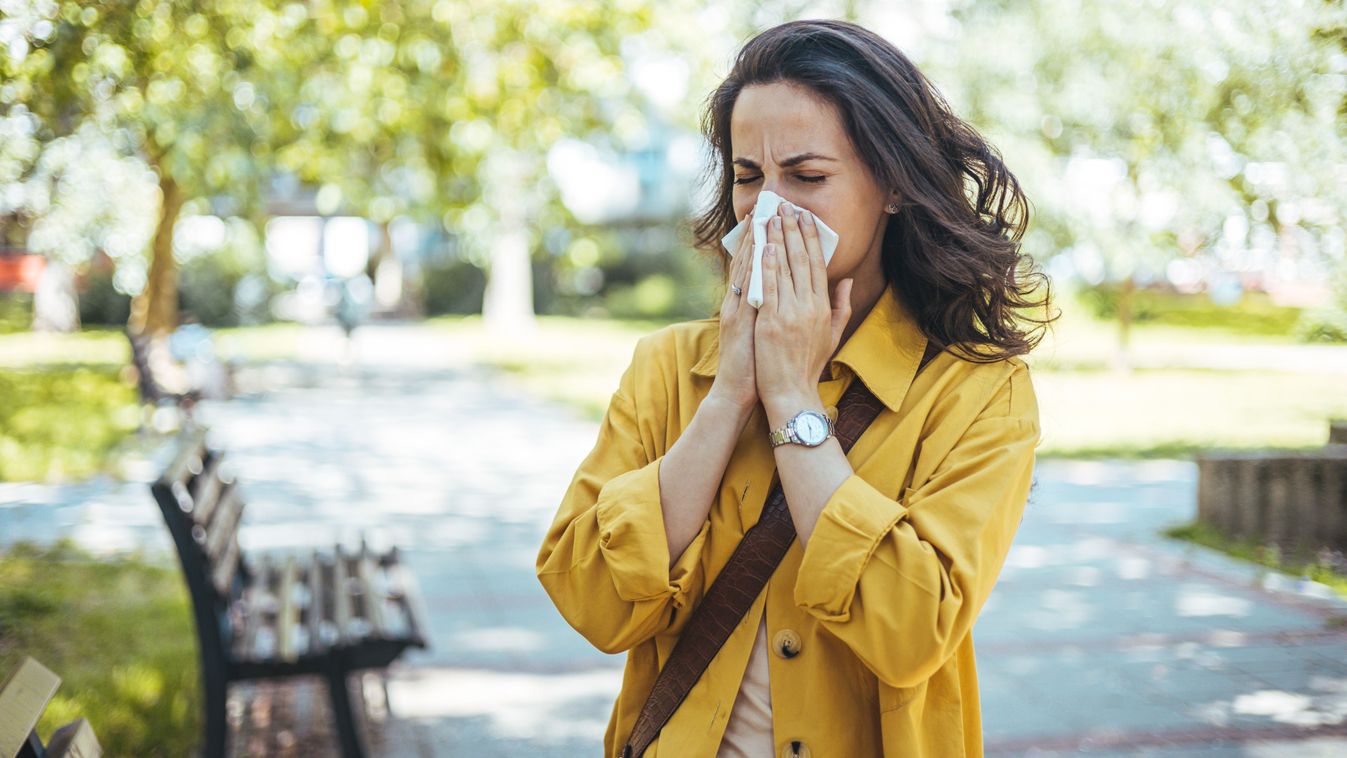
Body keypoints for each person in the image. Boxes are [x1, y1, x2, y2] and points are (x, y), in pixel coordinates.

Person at [537, 19, 1055, 758]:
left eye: (806, 177)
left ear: (893, 187)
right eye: (748, 177)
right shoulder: (665, 368)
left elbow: (912, 633)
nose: (767, 208)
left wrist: (792, 402)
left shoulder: (977, 393)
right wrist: (728, 399)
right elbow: (589, 600)